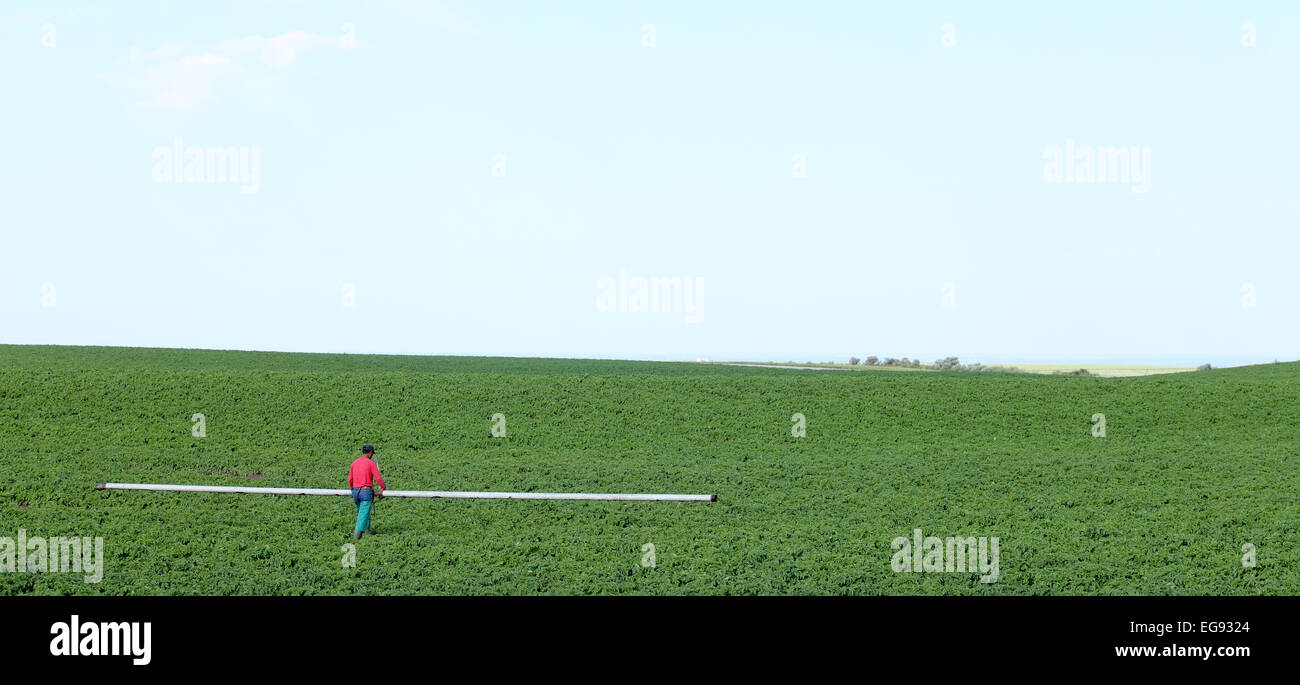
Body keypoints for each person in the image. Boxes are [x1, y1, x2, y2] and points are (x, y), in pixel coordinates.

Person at [348, 444, 386, 539]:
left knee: (363, 512)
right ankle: (356, 538)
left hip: (356, 492)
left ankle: (367, 532)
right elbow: (377, 477)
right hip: (365, 492)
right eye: (372, 453)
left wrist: (353, 490)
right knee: (363, 515)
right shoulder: (370, 463)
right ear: (369, 453)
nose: (372, 455)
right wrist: (383, 487)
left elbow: (350, 479)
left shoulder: (354, 463)